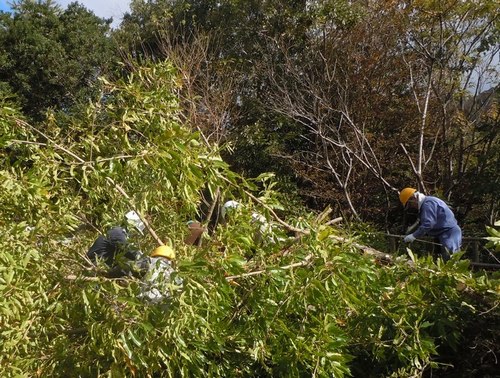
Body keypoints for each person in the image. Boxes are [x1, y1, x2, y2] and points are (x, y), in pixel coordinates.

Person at [399, 187, 462, 261]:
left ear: (413, 198)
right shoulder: (425, 205)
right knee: (439, 260)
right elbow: (421, 223)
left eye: (410, 204)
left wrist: (414, 235)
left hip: (449, 233)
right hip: (441, 234)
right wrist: (410, 233)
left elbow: (428, 223)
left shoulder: (428, 204)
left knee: (450, 258)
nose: (412, 207)